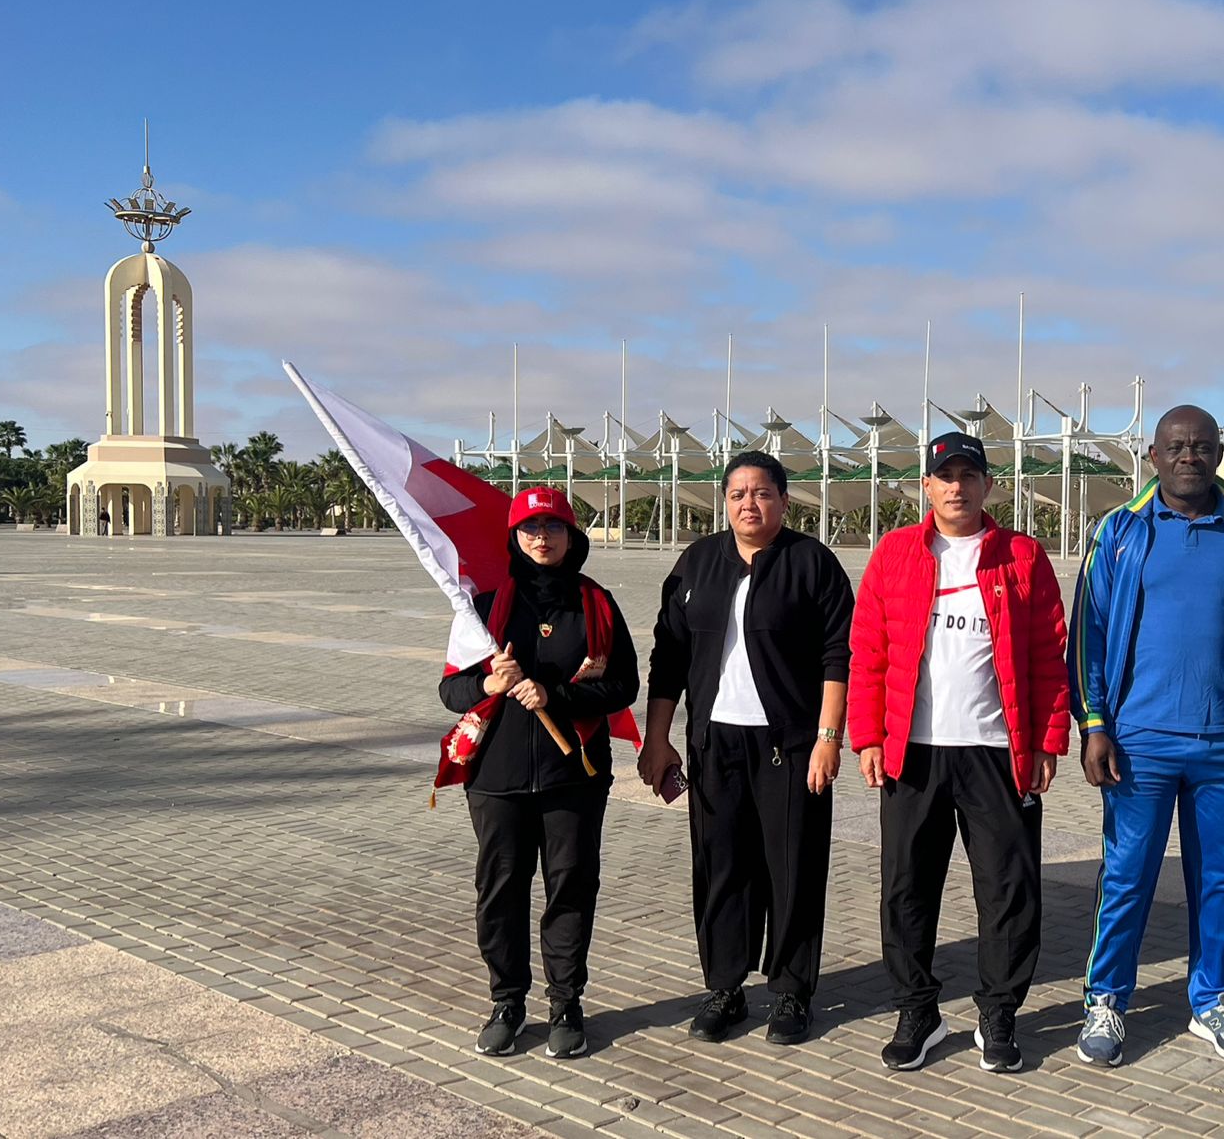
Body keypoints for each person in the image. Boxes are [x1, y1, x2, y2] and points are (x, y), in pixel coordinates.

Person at [1068, 405, 1224, 1066]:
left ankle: (1216, 997)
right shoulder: (1121, 530)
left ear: (1219, 454)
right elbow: (1089, 634)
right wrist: (1094, 723)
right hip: (1139, 743)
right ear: (1153, 456)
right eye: (1175, 446)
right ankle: (1106, 1000)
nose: (1188, 456)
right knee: (1127, 877)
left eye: (1200, 446)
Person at [848, 431, 1070, 1073]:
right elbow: (869, 651)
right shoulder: (896, 553)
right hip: (913, 751)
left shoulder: (1022, 556)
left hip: (997, 752)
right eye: (945, 476)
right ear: (926, 486)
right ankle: (917, 1010)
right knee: (907, 889)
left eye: (969, 475)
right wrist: (868, 736)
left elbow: (1048, 655)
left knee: (1008, 890)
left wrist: (1048, 741)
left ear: (987, 486)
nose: (957, 487)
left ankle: (999, 1013)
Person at [640, 451, 855, 1047]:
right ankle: (725, 986)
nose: (749, 504)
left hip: (790, 743)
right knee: (721, 866)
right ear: (725, 503)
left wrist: (828, 737)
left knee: (792, 865)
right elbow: (669, 656)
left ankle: (791, 990)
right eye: (737, 494)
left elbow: (839, 654)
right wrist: (658, 738)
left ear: (784, 500)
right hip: (715, 741)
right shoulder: (697, 563)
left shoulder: (811, 563)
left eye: (761, 493)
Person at [437, 485, 639, 1060]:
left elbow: (623, 685)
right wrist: (488, 683)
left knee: (570, 886)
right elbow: (451, 690)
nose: (541, 538)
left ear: (571, 536)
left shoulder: (596, 603)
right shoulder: (483, 609)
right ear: (514, 537)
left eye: (552, 527)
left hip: (574, 773)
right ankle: (506, 1002)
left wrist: (555, 694)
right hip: (497, 777)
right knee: (500, 890)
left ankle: (566, 1004)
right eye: (530, 528)